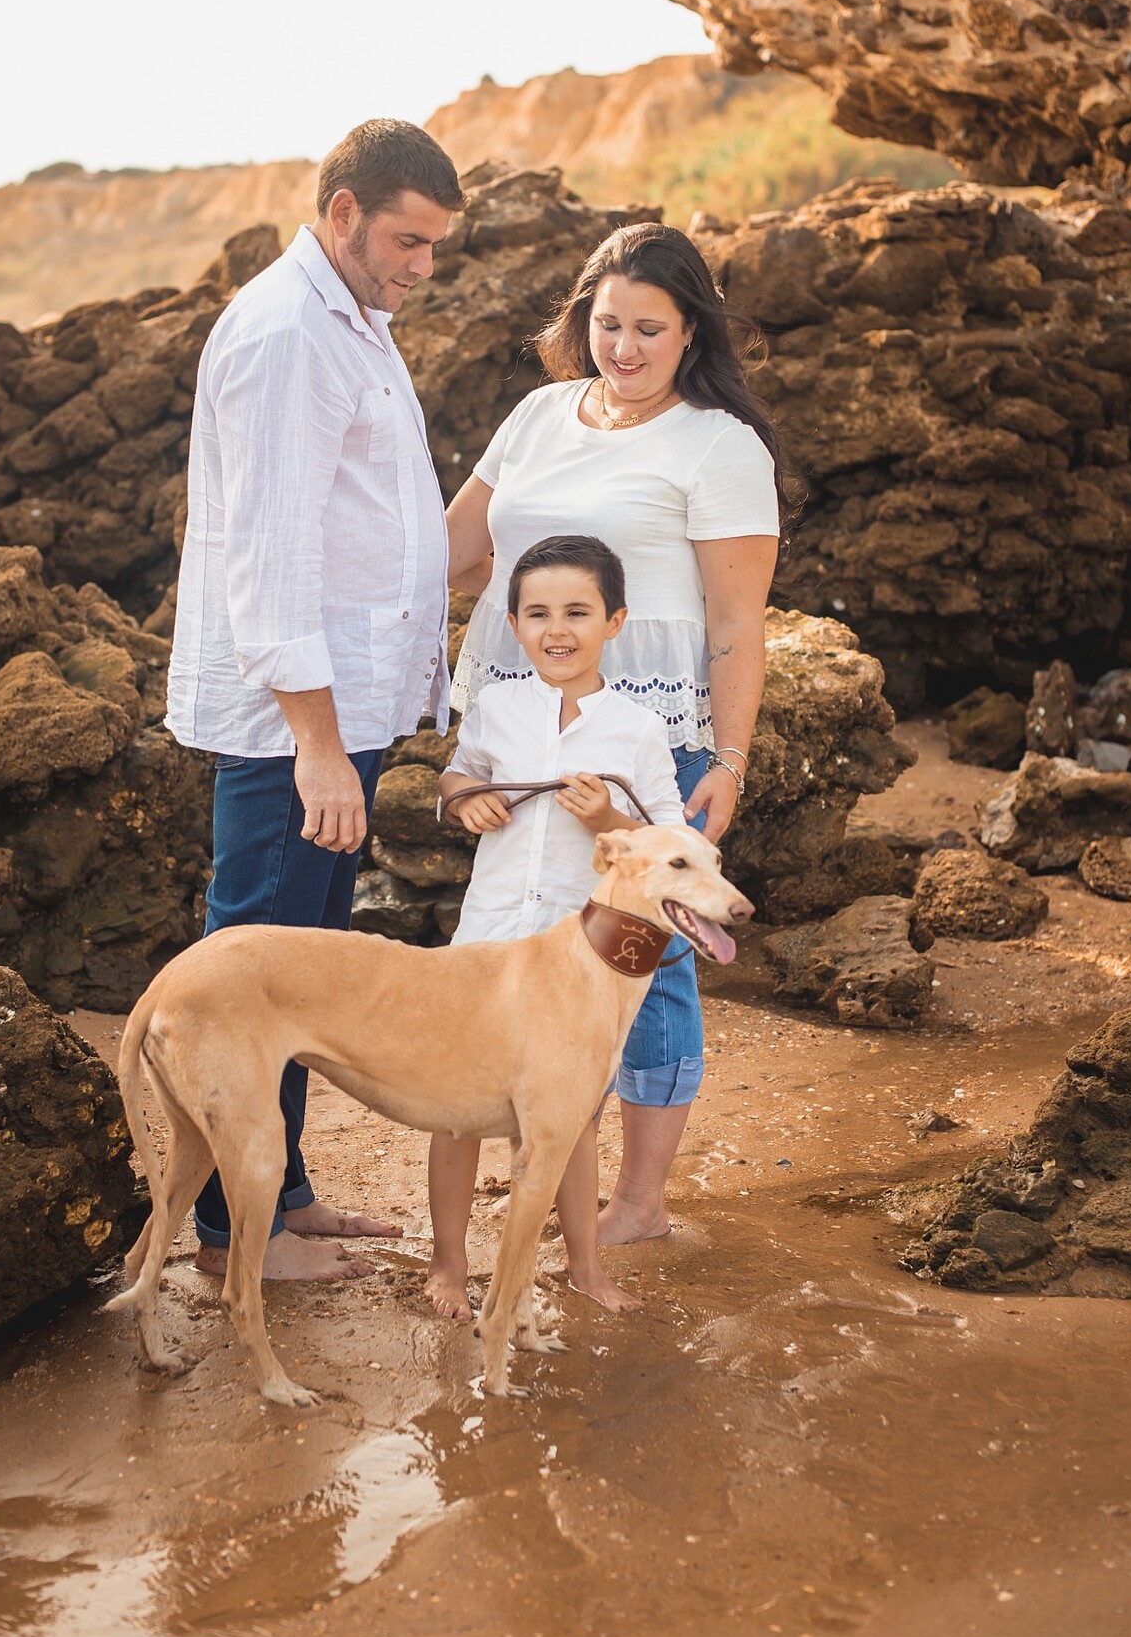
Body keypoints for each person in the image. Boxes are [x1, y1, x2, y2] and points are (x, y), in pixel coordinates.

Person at [443, 223, 785, 1246]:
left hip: (648, 739)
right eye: (607, 324)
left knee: (649, 955)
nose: (624, 348)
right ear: (578, 319)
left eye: (649, 328)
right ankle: (556, 1165)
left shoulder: (719, 445)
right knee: (537, 948)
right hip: (521, 728)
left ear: (691, 335)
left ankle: (637, 1199)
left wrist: (728, 757)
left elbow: (735, 622)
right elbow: (456, 553)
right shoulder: (538, 414)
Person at [166, 118, 464, 1282]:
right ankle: (225, 1236)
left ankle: (281, 1198)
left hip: (341, 717)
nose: (422, 266)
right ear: (343, 211)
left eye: (436, 246)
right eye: (407, 239)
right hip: (290, 732)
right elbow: (271, 558)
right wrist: (318, 747)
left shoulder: (355, 323)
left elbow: (369, 523)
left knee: (303, 973)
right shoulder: (289, 331)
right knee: (251, 983)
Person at [426, 534, 687, 1321]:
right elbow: (457, 773)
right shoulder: (499, 708)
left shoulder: (637, 729)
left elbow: (671, 841)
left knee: (570, 1119)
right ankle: (446, 1266)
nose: (556, 629)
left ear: (615, 622)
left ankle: (584, 1267)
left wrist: (609, 817)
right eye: (537, 613)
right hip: (490, 944)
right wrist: (461, 798)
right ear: (512, 624)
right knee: (456, 1109)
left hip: (583, 956)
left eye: (577, 611)